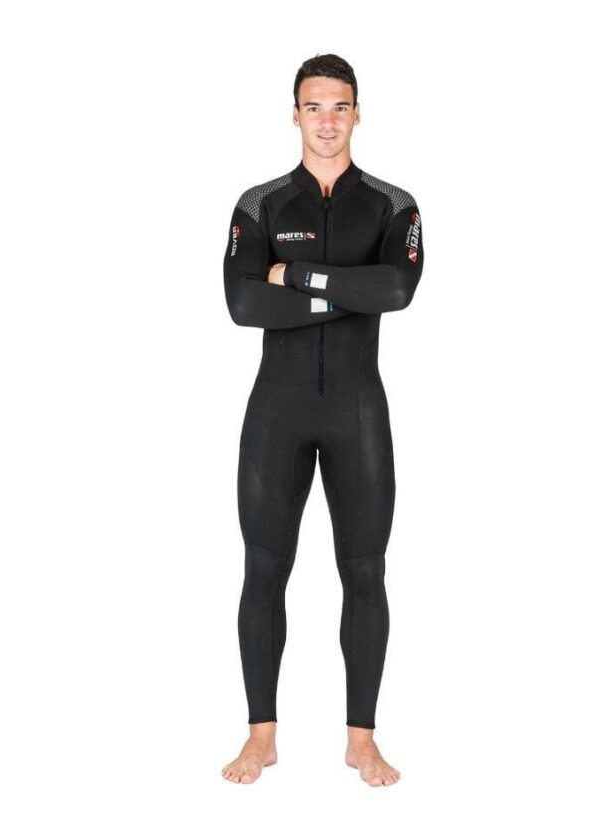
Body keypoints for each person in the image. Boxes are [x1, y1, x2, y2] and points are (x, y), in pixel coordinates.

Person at [220, 54, 424, 787]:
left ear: (358, 113)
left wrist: (298, 277)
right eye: (314, 107)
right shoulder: (261, 205)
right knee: (263, 569)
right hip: (276, 412)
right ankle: (261, 737)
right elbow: (245, 304)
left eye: (340, 106)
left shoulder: (394, 206)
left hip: (356, 413)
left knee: (365, 572)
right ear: (295, 114)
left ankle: (361, 740)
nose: (327, 120)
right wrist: (347, 293)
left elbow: (396, 289)